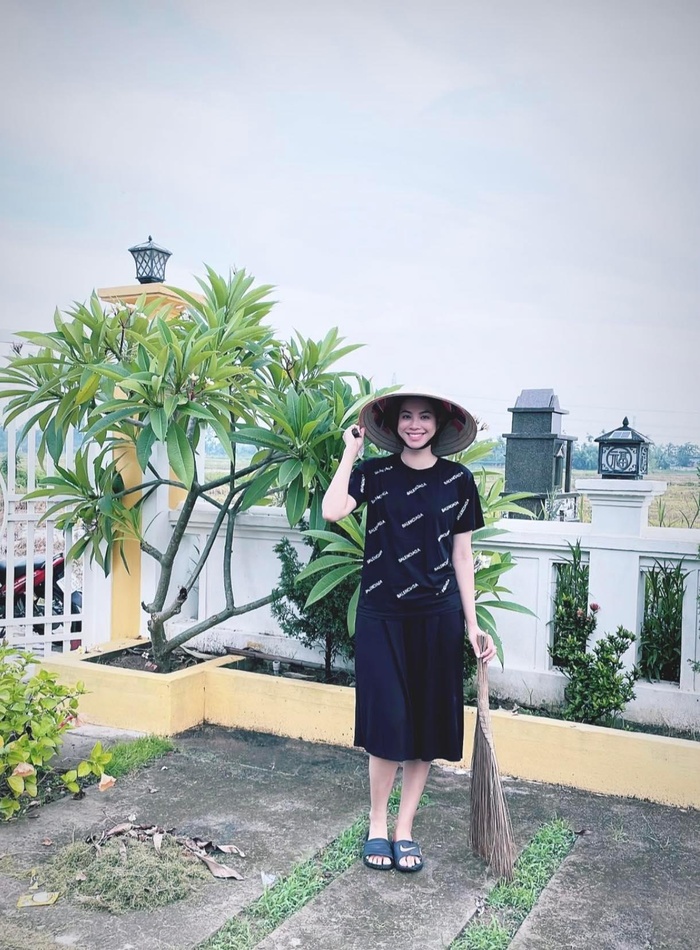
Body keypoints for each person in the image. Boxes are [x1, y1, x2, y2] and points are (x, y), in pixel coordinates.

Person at [322, 388, 497, 874]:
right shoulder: (375, 474)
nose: (414, 425)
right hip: (382, 616)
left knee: (425, 727)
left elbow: (463, 556)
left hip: (437, 618)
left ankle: (404, 829)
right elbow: (332, 510)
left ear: (439, 425)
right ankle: (377, 823)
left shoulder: (458, 481)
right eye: (406, 416)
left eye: (424, 417)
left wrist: (472, 625)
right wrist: (350, 451)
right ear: (394, 423)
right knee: (387, 724)